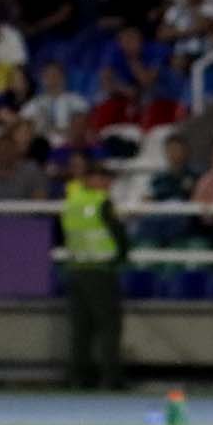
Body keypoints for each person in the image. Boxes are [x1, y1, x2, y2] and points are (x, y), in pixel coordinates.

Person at [60, 163, 131, 390]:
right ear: (91, 179)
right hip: (100, 271)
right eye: (103, 177)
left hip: (76, 269)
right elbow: (119, 235)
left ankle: (77, 379)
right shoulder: (101, 203)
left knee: (81, 329)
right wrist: (120, 258)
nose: (107, 183)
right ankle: (111, 379)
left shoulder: (72, 202)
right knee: (109, 327)